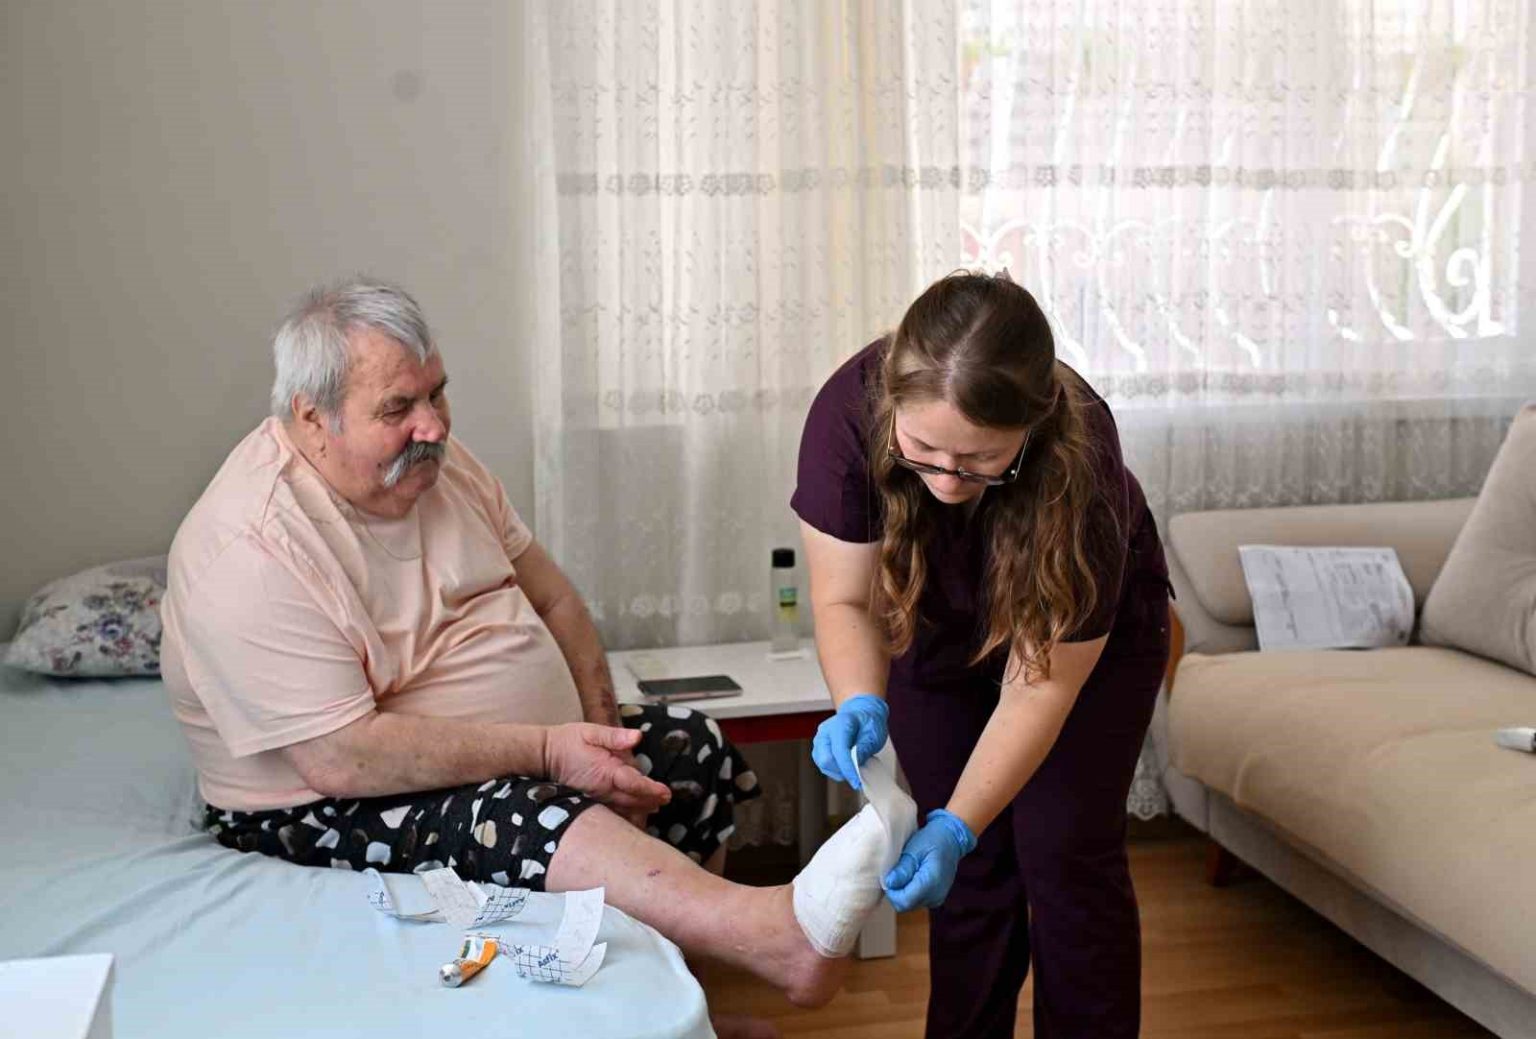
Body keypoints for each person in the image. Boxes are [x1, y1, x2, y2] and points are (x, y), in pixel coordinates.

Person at [160, 279, 867, 1036]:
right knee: (524, 813)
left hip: (505, 747)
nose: (432, 425)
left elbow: (556, 599)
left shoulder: (439, 466)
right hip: (314, 804)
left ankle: (687, 1011)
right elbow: (340, 757)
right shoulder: (252, 546)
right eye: (397, 409)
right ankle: (771, 934)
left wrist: (605, 740)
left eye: (437, 392)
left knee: (689, 749)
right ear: (311, 418)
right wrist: (551, 751)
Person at [792, 271, 1172, 1038]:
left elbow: (1040, 688)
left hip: (1082, 650)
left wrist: (958, 824)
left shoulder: (1082, 457)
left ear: (1031, 426)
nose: (945, 480)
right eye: (923, 450)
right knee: (970, 883)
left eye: (978, 460)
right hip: (934, 620)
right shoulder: (845, 416)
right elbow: (844, 600)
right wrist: (858, 697)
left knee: (1066, 857)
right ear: (892, 402)